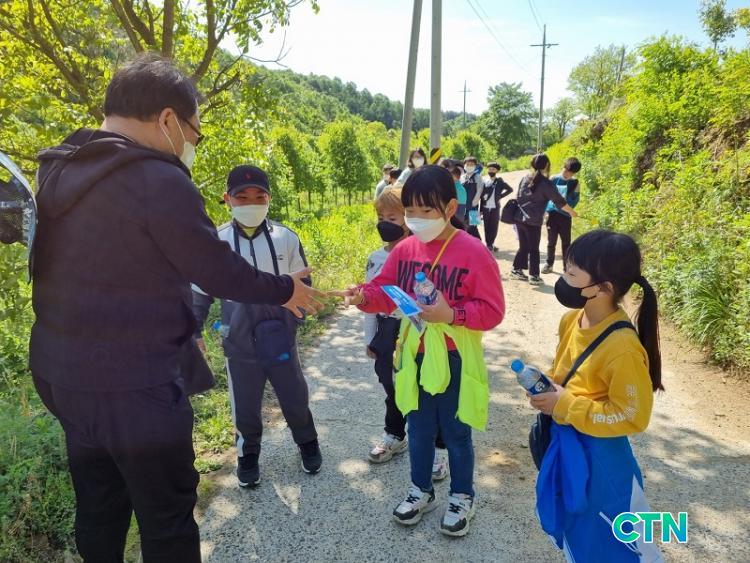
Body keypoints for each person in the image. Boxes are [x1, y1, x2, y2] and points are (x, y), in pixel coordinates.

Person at [30, 55, 323, 563]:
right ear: (168, 119)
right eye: (194, 133)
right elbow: (216, 268)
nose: (191, 144)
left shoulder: (60, 167)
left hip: (62, 374)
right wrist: (283, 289)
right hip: (134, 382)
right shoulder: (155, 178)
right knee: (166, 517)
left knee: (99, 505)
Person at [336, 166, 505, 537]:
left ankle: (462, 495)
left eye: (426, 211)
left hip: (455, 356)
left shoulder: (474, 253)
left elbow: (493, 311)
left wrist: (453, 315)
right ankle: (420, 490)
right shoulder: (405, 249)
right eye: (410, 210)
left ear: (449, 208)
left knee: (456, 432)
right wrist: (361, 295)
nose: (415, 219)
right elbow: (383, 291)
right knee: (419, 427)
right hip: (414, 353)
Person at [528, 230, 664, 562]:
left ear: (603, 288)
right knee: (577, 534)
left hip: (602, 463)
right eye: (566, 268)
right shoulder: (571, 320)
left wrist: (565, 404)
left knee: (617, 545)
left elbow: (633, 416)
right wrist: (549, 389)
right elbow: (565, 374)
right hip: (567, 448)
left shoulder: (623, 349)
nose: (563, 279)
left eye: (572, 274)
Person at [192, 165, 322, 488]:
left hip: (279, 335)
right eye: (242, 197)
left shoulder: (285, 237)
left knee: (294, 394)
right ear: (227, 199)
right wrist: (194, 330)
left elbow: (303, 283)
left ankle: (307, 442)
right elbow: (199, 291)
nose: (251, 203)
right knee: (245, 403)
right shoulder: (216, 241)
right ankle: (247, 454)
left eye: (259, 196)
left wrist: (293, 320)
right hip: (238, 338)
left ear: (269, 198)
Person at [363, 188, 449, 479]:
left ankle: (438, 449)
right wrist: (370, 338)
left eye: (393, 217)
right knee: (392, 385)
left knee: (429, 387)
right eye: (381, 217)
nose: (385, 223)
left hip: (418, 329)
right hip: (387, 329)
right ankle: (395, 434)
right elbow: (369, 300)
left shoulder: (423, 255)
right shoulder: (376, 258)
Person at [510, 154, 578, 285]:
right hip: (533, 221)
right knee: (534, 249)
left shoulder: (525, 178)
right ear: (546, 165)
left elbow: (518, 196)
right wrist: (572, 212)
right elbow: (559, 201)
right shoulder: (546, 183)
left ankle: (516, 269)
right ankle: (534, 276)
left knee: (524, 246)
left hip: (519, 217)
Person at [542, 157, 582, 274]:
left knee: (566, 243)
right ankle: (549, 264)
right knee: (551, 241)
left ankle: (566, 267)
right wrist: (545, 212)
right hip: (551, 215)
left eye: (570, 173)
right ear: (563, 167)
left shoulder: (575, 183)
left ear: (574, 173)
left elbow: (575, 200)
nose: (567, 174)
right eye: (566, 170)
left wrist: (568, 209)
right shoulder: (553, 179)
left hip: (566, 216)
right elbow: (545, 197)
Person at [480, 162, 513, 252]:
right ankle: (489, 244)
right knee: (486, 227)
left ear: (497, 171)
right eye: (489, 169)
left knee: (494, 226)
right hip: (485, 208)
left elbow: (510, 189)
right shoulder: (485, 182)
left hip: (495, 208)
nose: (491, 171)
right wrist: (481, 210)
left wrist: (500, 196)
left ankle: (491, 243)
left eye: (493, 169)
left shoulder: (499, 181)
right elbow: (482, 197)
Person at [460, 156, 483, 240]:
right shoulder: (462, 177)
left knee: (473, 227)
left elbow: (479, 190)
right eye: (467, 164)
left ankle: (479, 243)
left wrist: (474, 203)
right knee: (464, 227)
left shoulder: (478, 177)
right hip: (463, 207)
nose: (469, 166)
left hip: (473, 207)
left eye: (472, 164)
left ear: (475, 166)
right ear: (464, 165)